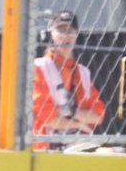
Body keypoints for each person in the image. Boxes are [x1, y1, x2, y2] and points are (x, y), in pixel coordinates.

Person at [32, 10, 105, 148]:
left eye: (71, 31)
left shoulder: (83, 72)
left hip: (79, 145)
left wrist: (68, 111)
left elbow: (98, 115)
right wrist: (79, 123)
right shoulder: (40, 67)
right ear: (51, 34)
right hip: (48, 146)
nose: (66, 36)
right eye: (61, 30)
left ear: (76, 35)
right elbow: (47, 117)